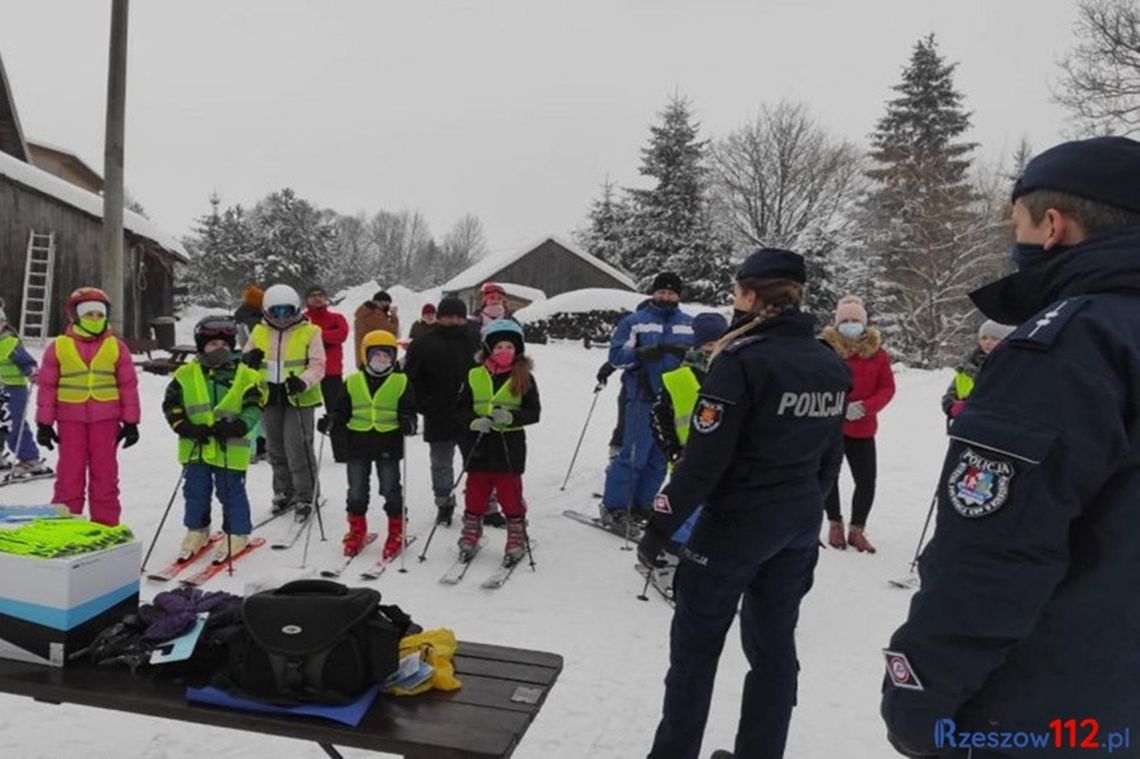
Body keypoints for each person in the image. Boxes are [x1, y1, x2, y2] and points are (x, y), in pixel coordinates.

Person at [882, 136, 1140, 759]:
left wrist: (919, 696)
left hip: (1051, 709)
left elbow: (995, 550)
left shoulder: (1072, 343)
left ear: (1052, 226)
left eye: (1016, 223)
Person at [637, 249, 850, 759]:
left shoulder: (741, 360)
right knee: (775, 649)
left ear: (752, 296)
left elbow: (704, 463)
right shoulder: (827, 360)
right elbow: (830, 456)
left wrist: (659, 524)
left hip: (736, 524)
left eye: (736, 293)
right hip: (796, 524)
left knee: (695, 650)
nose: (733, 302)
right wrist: (806, 510)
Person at [35, 287, 140, 526]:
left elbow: (128, 386)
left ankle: (106, 526)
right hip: (70, 420)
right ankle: (65, 526)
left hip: (106, 421)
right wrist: (44, 423)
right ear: (76, 316)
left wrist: (131, 421)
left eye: (99, 314)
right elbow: (47, 387)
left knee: (105, 477)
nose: (94, 319)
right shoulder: (59, 346)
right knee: (69, 476)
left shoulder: (116, 347)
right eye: (88, 314)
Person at [163, 316, 264, 562]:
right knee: (195, 490)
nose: (220, 348)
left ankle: (237, 532)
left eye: (225, 344)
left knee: (230, 491)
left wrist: (239, 425)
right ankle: (197, 530)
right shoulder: (185, 374)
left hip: (230, 446)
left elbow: (254, 405)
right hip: (196, 444)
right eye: (213, 344)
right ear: (201, 346)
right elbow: (172, 405)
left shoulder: (246, 375)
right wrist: (183, 426)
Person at [600, 272, 693, 529]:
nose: (666, 296)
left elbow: (700, 356)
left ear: (679, 295)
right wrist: (639, 353)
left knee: (659, 457)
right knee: (633, 455)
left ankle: (643, 505)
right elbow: (616, 356)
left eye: (671, 292)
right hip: (643, 396)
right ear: (653, 292)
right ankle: (615, 507)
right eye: (661, 292)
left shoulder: (689, 324)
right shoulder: (635, 322)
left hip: (675, 401)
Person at [320, 329, 417, 560]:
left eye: (387, 356)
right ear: (366, 355)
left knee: (391, 489)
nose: (382, 360)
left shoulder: (401, 381)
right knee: (356, 491)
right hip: (358, 443)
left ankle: (396, 530)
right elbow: (342, 410)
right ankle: (356, 529)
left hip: (388, 443)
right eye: (376, 355)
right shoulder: (353, 381)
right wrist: (332, 420)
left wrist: (408, 423)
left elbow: (410, 411)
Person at [456, 319, 541, 564]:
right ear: (488, 349)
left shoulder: (524, 377)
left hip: (509, 443)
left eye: (510, 347)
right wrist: (472, 421)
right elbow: (459, 409)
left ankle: (516, 532)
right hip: (479, 442)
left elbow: (534, 412)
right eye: (499, 347)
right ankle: (472, 529)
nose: (504, 352)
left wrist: (512, 417)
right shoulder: (473, 374)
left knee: (509, 491)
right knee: (476, 490)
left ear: (518, 351)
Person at [242, 284, 326, 521]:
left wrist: (303, 381)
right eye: (276, 312)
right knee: (275, 449)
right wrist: (249, 359)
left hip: (298, 397)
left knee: (298, 447)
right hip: (270, 396)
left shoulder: (310, 331)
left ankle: (305, 494)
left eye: (286, 311)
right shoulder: (259, 332)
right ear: (268, 311)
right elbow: (246, 360)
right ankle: (283, 491)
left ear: (295, 309)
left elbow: (318, 365)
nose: (281, 317)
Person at [820, 295, 896, 553]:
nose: (850, 324)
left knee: (866, 480)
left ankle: (857, 529)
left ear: (864, 324)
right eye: (846, 320)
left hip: (863, 427)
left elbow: (887, 388)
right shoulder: (826, 350)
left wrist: (865, 407)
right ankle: (834, 523)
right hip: (832, 425)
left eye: (855, 320)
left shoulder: (877, 353)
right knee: (829, 476)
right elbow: (818, 384)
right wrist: (842, 407)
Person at [649, 311, 729, 550]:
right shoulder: (678, 378)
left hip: (721, 461)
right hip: (686, 460)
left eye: (718, 342)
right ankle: (671, 552)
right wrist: (672, 449)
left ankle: (704, 551)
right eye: (707, 343)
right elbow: (659, 416)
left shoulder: (731, 374)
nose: (712, 348)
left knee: (714, 512)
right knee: (684, 511)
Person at [403, 297, 481, 526]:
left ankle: (483, 503)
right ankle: (444, 502)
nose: (453, 321)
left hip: (471, 412)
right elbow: (411, 379)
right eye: (448, 316)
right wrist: (423, 404)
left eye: (458, 316)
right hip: (438, 413)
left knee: (477, 461)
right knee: (441, 463)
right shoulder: (423, 342)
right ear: (439, 317)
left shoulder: (476, 339)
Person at [0, 306, 51, 479]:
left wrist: (32, 372)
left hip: (13, 390)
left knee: (13, 425)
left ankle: (30, 459)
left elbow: (27, 362)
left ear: (3, 324)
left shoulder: (10, 343)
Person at [940, 319, 1015, 419]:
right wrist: (952, 407)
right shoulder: (968, 367)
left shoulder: (1013, 367)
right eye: (984, 338)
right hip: (968, 424)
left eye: (995, 339)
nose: (988, 342)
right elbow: (950, 396)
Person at [233, 285, 267, 461]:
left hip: (246, 362)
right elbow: (259, 340)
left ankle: (256, 448)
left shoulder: (242, 314)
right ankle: (256, 448)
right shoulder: (253, 318)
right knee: (258, 406)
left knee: (253, 405)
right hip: (255, 363)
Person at [303, 285, 350, 409]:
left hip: (332, 372)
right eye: (313, 296)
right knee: (305, 412)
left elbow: (341, 334)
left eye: (320, 295)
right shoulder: (302, 320)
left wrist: (314, 335)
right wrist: (328, 337)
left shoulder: (337, 318)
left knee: (336, 411)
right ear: (307, 300)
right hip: (307, 372)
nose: (317, 298)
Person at [353, 290, 400, 365]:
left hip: (364, 355)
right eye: (387, 303)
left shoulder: (365, 312)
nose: (387, 306)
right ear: (380, 302)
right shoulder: (376, 314)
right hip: (374, 357)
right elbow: (392, 332)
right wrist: (394, 316)